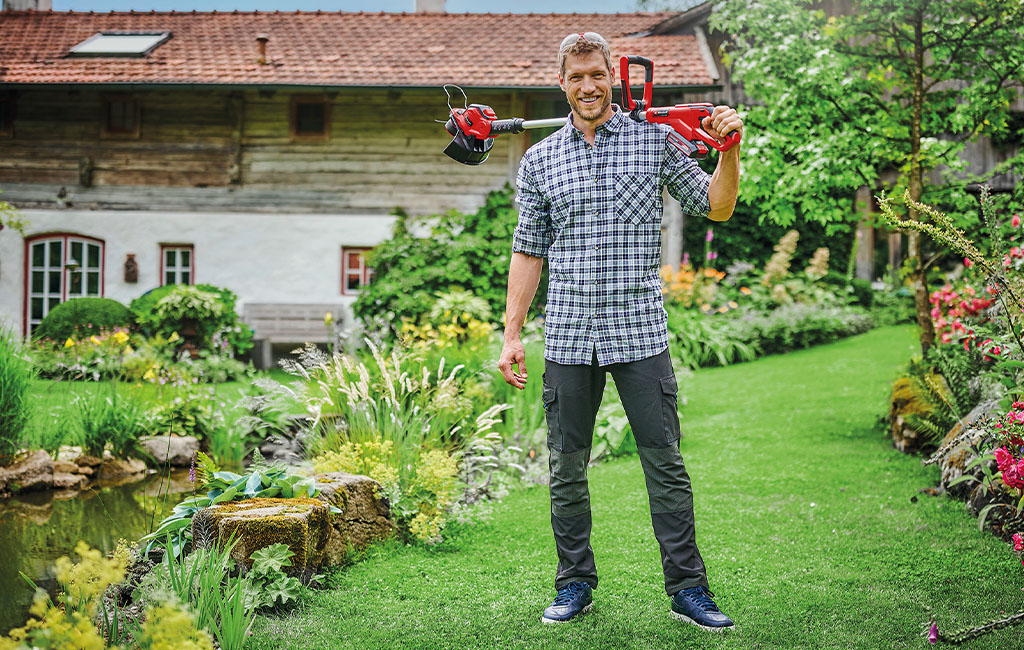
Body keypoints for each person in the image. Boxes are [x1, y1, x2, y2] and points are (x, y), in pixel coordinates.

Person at [497, 32, 742, 631]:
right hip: (569, 338)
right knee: (566, 468)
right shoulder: (540, 160)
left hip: (640, 335)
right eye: (576, 77)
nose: (588, 86)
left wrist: (730, 150)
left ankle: (689, 588)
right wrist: (511, 335)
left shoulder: (654, 141)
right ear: (562, 84)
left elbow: (717, 206)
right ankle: (574, 582)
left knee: (665, 466)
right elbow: (528, 251)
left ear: (614, 77)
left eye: (597, 75)